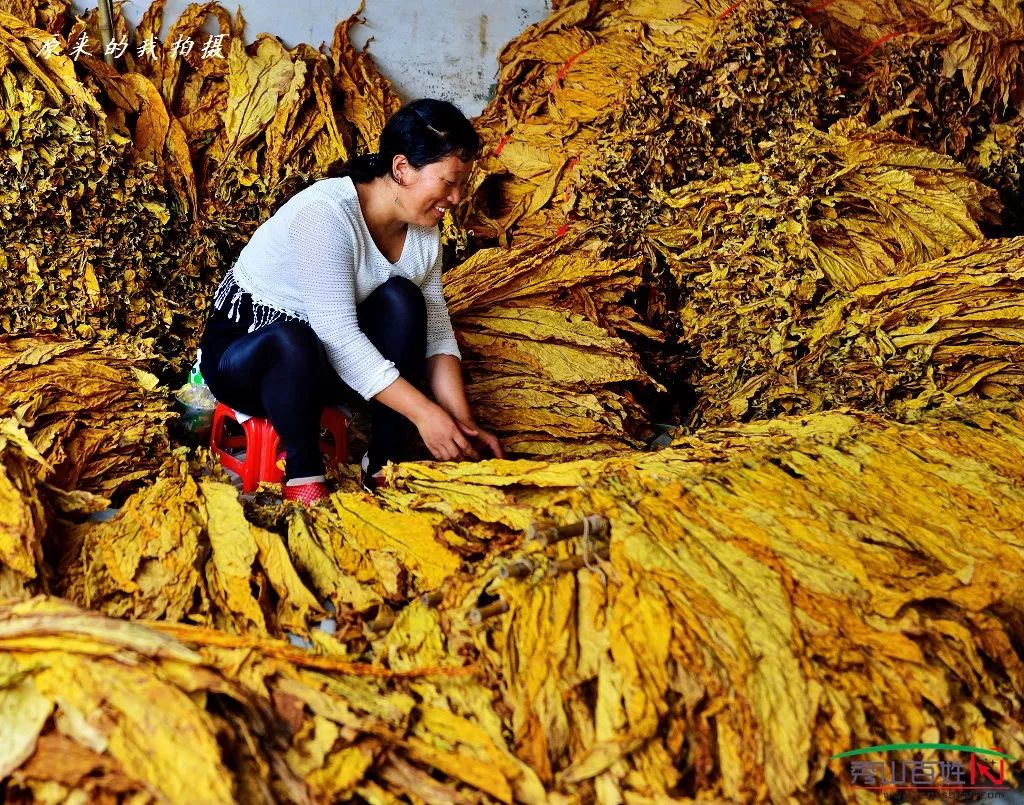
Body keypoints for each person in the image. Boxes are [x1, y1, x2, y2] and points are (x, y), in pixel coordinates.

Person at [199, 98, 505, 505]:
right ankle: (303, 472)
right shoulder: (326, 215)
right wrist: (425, 414)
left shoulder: (423, 227)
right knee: (292, 339)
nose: (456, 197)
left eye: (461, 184)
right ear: (401, 169)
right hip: (248, 358)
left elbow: (435, 331)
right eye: (448, 182)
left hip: (322, 362)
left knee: (403, 299)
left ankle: (383, 461)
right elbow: (339, 337)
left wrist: (462, 423)